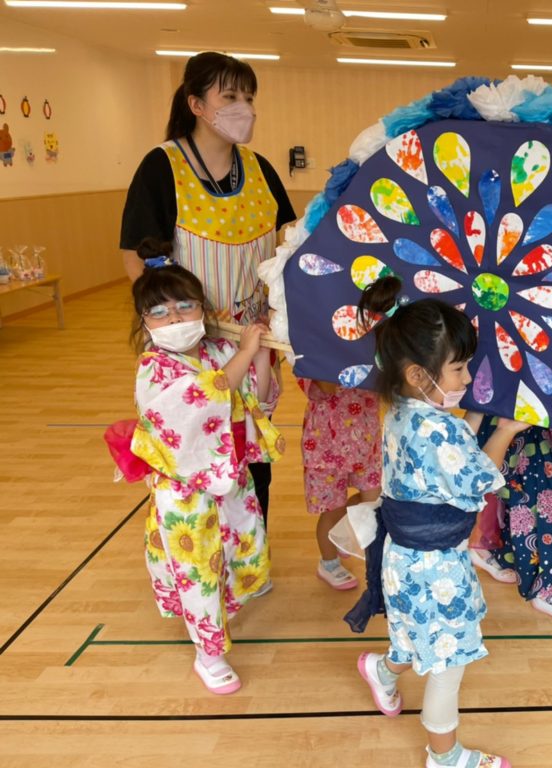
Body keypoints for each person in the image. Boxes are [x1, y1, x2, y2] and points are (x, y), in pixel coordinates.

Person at [344, 276, 526, 768]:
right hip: (435, 568)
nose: (467, 379)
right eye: (459, 368)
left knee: (410, 632)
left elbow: (451, 447)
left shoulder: (405, 409)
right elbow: (477, 479)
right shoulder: (435, 427)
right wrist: (505, 430)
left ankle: (381, 670)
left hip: (403, 562)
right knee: (448, 664)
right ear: (418, 374)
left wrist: (476, 421)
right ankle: (445, 758)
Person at [119, 51, 296, 525]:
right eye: (231, 96)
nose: (245, 107)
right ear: (196, 104)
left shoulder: (260, 170)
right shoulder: (163, 166)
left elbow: (288, 245)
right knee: (199, 447)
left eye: (249, 96)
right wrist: (175, 325)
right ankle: (199, 549)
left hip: (255, 338)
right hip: (191, 344)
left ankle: (250, 546)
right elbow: (135, 258)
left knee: (252, 442)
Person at [128, 239, 283, 695]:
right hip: (184, 491)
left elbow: (255, 396)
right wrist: (241, 357)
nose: (175, 318)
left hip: (229, 476)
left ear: (201, 307)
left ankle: (230, 602)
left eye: (184, 305)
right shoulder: (154, 368)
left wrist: (258, 355)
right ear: (145, 322)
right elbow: (207, 394)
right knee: (198, 567)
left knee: (239, 545)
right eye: (160, 312)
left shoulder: (216, 350)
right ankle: (208, 654)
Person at [466, 418, 552, 623]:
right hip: (523, 417)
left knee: (509, 492)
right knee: (545, 506)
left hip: (536, 419)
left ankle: (493, 550)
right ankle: (545, 589)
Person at [297, 377, 381, 590]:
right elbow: (326, 385)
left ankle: (341, 533)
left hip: (365, 441)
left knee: (373, 501)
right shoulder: (315, 352)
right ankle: (328, 563)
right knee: (332, 509)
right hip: (326, 448)